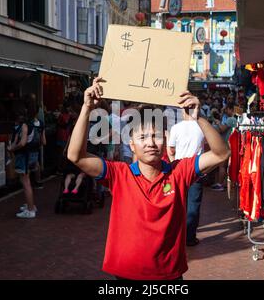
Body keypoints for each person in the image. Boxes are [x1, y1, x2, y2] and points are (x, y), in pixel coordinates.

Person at [67, 77, 230, 280]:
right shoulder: (119, 174)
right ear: (131, 144)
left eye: (156, 136)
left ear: (165, 139)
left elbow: (221, 154)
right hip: (127, 275)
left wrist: (199, 118)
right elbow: (76, 156)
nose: (151, 143)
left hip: (168, 276)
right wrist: (86, 109)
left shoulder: (179, 172)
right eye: (142, 138)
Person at [167, 108, 205, 247]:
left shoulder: (176, 128)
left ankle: (177, 235)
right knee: (193, 204)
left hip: (179, 169)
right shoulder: (202, 127)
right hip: (196, 168)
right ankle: (189, 237)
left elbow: (171, 149)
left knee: (177, 203)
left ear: (183, 112)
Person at [8, 105, 39, 219]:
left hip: (24, 156)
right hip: (31, 156)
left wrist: (12, 149)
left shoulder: (24, 126)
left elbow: (22, 143)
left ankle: (30, 210)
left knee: (26, 184)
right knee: (27, 183)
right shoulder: (30, 124)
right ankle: (31, 206)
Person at [211, 103, 237, 191]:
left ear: (231, 109)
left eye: (227, 109)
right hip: (230, 143)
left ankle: (220, 184)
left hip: (227, 144)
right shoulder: (235, 119)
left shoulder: (231, 119)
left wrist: (217, 122)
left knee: (222, 165)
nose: (226, 111)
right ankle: (223, 183)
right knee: (225, 165)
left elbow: (222, 129)